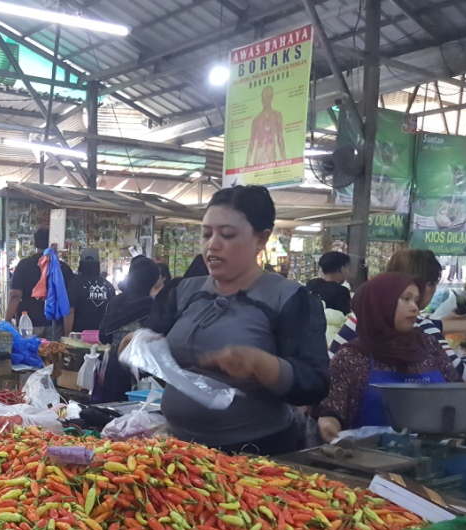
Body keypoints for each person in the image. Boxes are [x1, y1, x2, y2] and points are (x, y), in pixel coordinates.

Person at [141, 186, 329, 455]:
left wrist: (263, 364)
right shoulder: (181, 292)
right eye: (206, 234)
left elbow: (314, 383)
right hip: (179, 452)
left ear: (261, 239)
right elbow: (152, 349)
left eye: (227, 234)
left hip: (255, 455)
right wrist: (137, 345)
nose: (212, 244)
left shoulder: (289, 298)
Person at [317, 273, 459, 442]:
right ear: (380, 304)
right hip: (370, 460)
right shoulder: (351, 357)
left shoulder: (428, 345)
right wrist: (328, 422)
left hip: (436, 458)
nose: (414, 307)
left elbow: (455, 394)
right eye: (406, 298)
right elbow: (333, 412)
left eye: (416, 300)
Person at [330, 249, 466, 381]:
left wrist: (456, 325)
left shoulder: (362, 316)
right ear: (425, 286)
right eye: (406, 298)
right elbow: (460, 374)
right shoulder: (422, 327)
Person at [97, 257, 160, 402]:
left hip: (113, 366)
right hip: (140, 372)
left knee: (111, 412)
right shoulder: (152, 306)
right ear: (153, 280)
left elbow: (103, 336)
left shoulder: (116, 302)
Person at [5, 227, 74, 338]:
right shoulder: (63, 268)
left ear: (35, 243)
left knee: (30, 354)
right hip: (56, 325)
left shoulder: (24, 265)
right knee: (54, 353)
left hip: (29, 324)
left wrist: (7, 320)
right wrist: (67, 334)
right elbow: (70, 304)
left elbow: (15, 295)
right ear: (53, 244)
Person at [64, 249, 114, 335]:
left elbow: (70, 311)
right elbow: (113, 313)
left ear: (81, 265)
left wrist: (67, 335)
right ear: (98, 265)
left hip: (79, 337)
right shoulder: (109, 286)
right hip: (102, 337)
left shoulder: (74, 284)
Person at [245, 86, 285, 167]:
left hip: (271, 154)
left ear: (271, 97)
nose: (265, 99)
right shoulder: (256, 120)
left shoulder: (277, 115)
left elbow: (280, 138)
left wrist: (285, 160)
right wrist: (246, 163)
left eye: (268, 96)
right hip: (259, 155)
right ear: (261, 98)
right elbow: (252, 142)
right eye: (264, 96)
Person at [305, 251, 352, 315]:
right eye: (347, 268)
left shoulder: (312, 283)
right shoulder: (341, 291)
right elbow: (344, 318)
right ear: (341, 269)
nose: (348, 272)